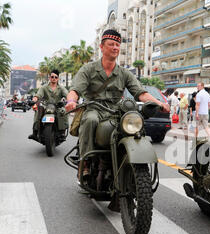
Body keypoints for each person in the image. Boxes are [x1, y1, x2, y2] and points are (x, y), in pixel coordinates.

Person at [65, 29, 169, 177]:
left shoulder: (124, 73)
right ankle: (86, 160)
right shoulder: (88, 69)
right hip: (95, 108)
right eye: (111, 44)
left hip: (115, 111)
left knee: (134, 126)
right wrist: (71, 101)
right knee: (90, 120)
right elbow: (75, 90)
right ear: (101, 47)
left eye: (117, 45)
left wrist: (159, 103)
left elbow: (141, 93)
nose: (115, 47)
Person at [28, 69, 68, 141]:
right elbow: (38, 95)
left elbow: (67, 95)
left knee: (63, 111)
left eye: (56, 77)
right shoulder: (44, 87)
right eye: (52, 77)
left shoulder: (61, 88)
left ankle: (62, 132)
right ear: (49, 78)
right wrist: (33, 100)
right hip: (46, 106)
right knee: (37, 111)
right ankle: (35, 132)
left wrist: (70, 101)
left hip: (57, 106)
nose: (54, 78)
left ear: (58, 78)